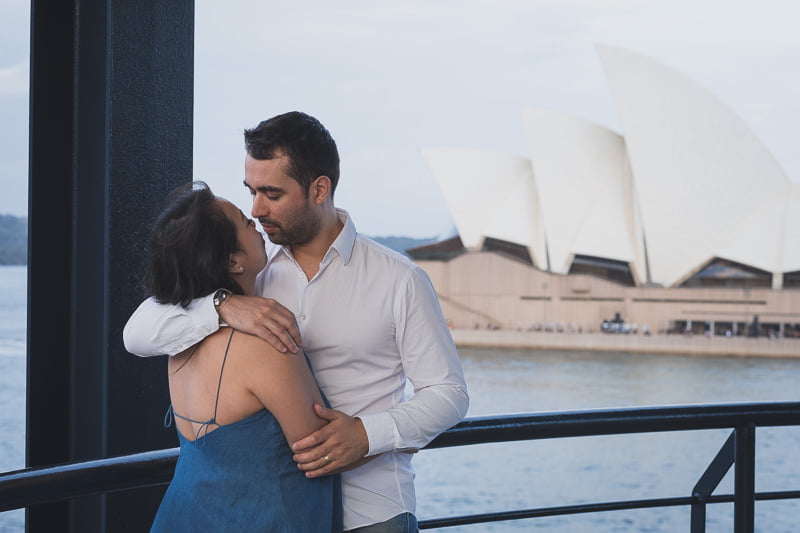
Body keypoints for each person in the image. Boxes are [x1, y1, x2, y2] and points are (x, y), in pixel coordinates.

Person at [124, 111, 469, 532]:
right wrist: (221, 306)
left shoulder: (400, 278)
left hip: (373, 510)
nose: (257, 208)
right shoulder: (249, 275)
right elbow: (137, 333)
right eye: (251, 191)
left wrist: (369, 433)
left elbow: (449, 393)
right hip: (279, 511)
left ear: (319, 189)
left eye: (271, 193)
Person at [143, 183, 341, 532]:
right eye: (243, 222)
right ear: (233, 260)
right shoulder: (266, 344)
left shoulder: (179, 340)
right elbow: (321, 451)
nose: (254, 219)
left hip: (181, 517)